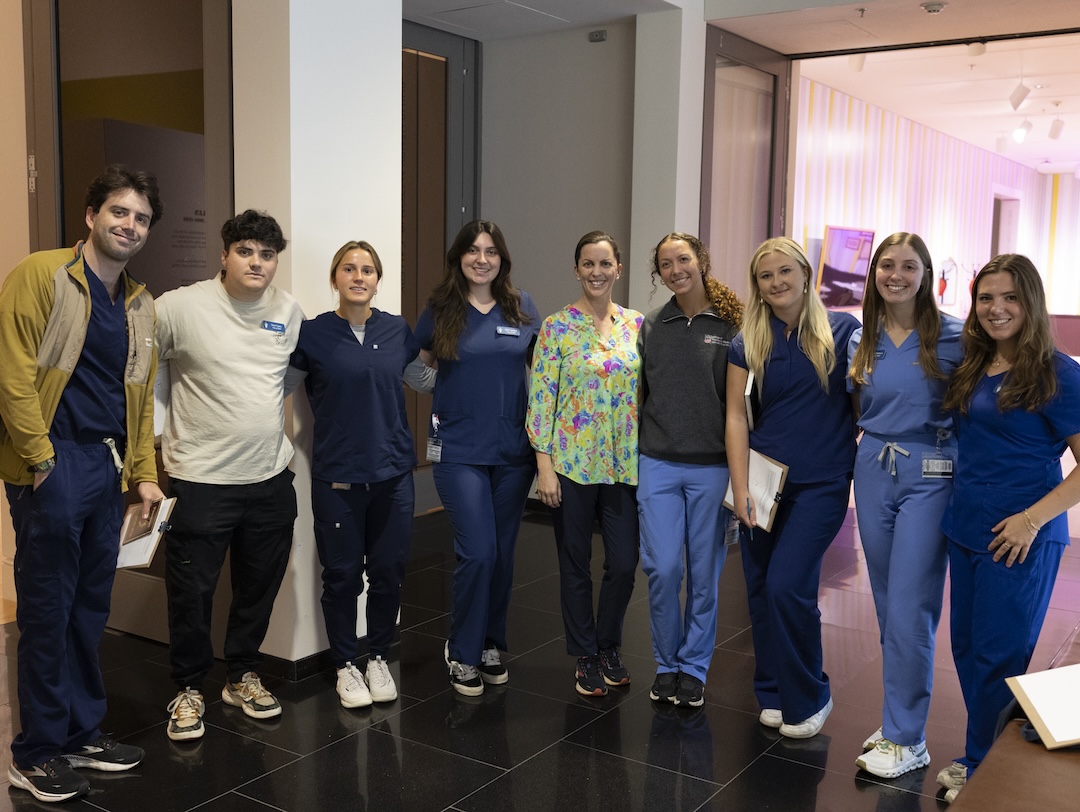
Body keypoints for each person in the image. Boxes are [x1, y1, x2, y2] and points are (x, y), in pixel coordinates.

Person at [0, 165, 164, 802]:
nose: (129, 225)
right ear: (92, 215)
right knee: (47, 610)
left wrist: (144, 472)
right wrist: (40, 461)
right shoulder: (41, 275)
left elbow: (143, 393)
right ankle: (36, 753)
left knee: (89, 608)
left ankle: (81, 733)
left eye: (142, 217)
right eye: (119, 212)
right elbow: (13, 375)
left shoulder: (138, 301)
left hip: (107, 464)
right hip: (54, 461)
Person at [936, 254, 1080, 804]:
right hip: (967, 526)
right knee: (968, 650)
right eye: (986, 298)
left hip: (1021, 537)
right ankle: (980, 754)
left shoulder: (1058, 372)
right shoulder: (975, 364)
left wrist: (1031, 519)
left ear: (1032, 304)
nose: (997, 309)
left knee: (1000, 656)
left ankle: (982, 771)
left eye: (1010, 298)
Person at [156, 210, 304, 740]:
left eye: (267, 255)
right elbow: (145, 374)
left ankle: (241, 675)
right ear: (224, 255)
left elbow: (281, 381)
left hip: (268, 479)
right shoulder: (178, 307)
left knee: (258, 587)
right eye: (246, 251)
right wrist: (153, 444)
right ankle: (189, 687)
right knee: (191, 592)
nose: (257, 262)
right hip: (200, 480)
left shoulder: (287, 310)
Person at [289, 240, 434, 708]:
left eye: (367, 269)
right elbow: (276, 390)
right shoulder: (312, 334)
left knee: (389, 573)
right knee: (343, 576)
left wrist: (472, 365)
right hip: (338, 478)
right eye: (348, 269)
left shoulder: (396, 330)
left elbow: (421, 381)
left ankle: (377, 656)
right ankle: (345, 664)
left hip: (393, 476)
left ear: (377, 279)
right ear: (335, 279)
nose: (358, 276)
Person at [725, 236, 858, 739]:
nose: (776, 282)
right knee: (760, 590)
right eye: (765, 275)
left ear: (806, 273)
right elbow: (735, 416)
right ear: (756, 285)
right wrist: (739, 488)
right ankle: (774, 692)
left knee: (788, 586)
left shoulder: (842, 331)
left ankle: (811, 694)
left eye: (785, 271)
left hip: (821, 484)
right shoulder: (749, 339)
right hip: (762, 482)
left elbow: (861, 407)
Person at [848, 233, 964, 778]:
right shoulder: (861, 336)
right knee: (886, 597)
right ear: (874, 273)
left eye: (908, 266)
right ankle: (897, 717)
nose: (896, 274)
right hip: (871, 468)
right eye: (886, 265)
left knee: (911, 604)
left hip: (930, 471)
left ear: (926, 274)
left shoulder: (956, 336)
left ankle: (907, 736)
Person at [414, 220, 539, 696]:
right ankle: (462, 650)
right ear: (459, 257)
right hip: (458, 450)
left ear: (502, 258)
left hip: (512, 451)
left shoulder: (521, 305)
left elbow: (541, 372)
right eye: (472, 250)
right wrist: (444, 397)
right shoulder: (441, 308)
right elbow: (417, 366)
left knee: (502, 555)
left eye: (490, 251)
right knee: (478, 551)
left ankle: (489, 642)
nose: (481, 258)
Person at [527, 230, 643, 697]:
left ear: (619, 268)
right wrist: (544, 467)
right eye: (588, 264)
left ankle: (609, 643)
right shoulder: (556, 326)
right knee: (574, 562)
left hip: (622, 465)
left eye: (605, 263)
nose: (597, 272)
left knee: (623, 562)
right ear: (576, 270)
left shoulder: (636, 326)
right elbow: (541, 401)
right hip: (571, 465)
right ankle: (586, 654)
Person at [637, 233, 742, 708]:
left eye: (683, 259)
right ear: (657, 272)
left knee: (704, 573)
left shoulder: (733, 324)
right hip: (657, 461)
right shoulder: (652, 325)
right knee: (662, 568)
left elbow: (741, 406)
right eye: (665, 263)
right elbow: (639, 395)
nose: (676, 269)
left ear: (701, 260)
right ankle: (666, 663)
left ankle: (693, 667)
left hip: (712, 468)